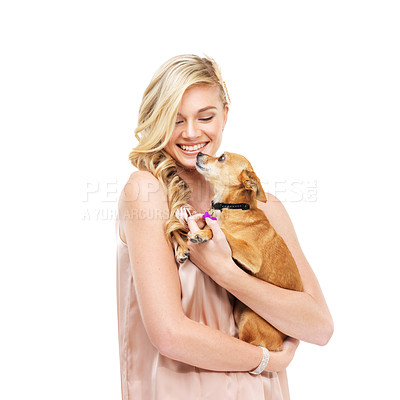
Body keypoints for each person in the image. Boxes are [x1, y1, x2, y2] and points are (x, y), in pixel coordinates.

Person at [116, 54, 333, 400]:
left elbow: (319, 326)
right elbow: (169, 333)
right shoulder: (146, 193)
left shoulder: (264, 207)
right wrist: (265, 359)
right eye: (176, 120)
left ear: (225, 115)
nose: (191, 133)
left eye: (205, 117)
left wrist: (225, 272)